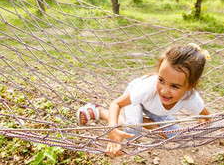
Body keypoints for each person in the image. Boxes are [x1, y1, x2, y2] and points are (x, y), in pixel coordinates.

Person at [77, 43, 211, 157]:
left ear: (190, 86)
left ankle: (146, 123)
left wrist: (205, 119)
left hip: (156, 109)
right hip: (139, 100)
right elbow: (116, 104)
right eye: (161, 80)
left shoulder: (191, 98)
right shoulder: (146, 88)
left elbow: (205, 113)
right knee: (133, 133)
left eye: (175, 86)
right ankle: (99, 111)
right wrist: (112, 130)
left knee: (176, 136)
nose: (164, 91)